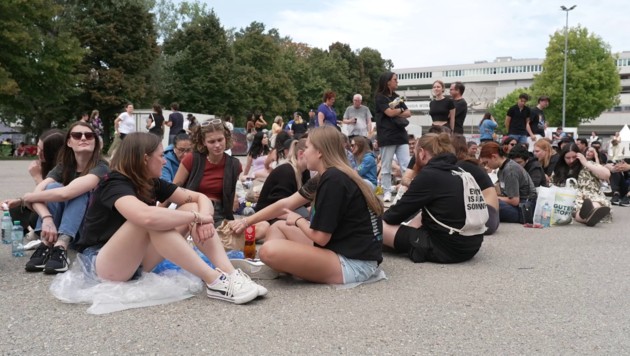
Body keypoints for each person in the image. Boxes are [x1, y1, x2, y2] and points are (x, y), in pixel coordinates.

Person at [74, 132, 264, 304]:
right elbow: (145, 217)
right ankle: (214, 280)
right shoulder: (113, 183)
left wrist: (204, 217)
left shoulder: (151, 182)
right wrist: (195, 217)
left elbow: (199, 197)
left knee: (187, 207)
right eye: (161, 156)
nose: (165, 161)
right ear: (145, 159)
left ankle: (229, 273)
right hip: (101, 264)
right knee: (151, 220)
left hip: (135, 262)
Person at [255, 126, 383, 284]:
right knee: (277, 227)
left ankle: (281, 265)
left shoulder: (333, 179)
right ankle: (278, 267)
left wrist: (297, 220)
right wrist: (245, 221)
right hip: (346, 250)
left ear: (320, 151)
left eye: (307, 147)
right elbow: (285, 204)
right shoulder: (333, 174)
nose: (303, 152)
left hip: (354, 264)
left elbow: (320, 238)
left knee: (268, 251)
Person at [5, 122, 109, 274]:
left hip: (91, 230)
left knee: (75, 191)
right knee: (52, 188)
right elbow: (40, 191)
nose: (83, 138)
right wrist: (46, 218)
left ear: (95, 142)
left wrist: (26, 198)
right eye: (77, 135)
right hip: (69, 226)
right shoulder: (65, 166)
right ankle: (46, 244)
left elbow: (66, 193)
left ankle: (61, 246)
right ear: (69, 142)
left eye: (89, 135)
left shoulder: (102, 167)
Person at [382, 133, 485, 263]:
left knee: (376, 225)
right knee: (423, 213)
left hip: (447, 249)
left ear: (421, 153)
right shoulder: (459, 171)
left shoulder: (429, 175)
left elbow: (394, 216)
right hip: (471, 245)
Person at [229, 138, 311, 242]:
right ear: (301, 154)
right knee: (267, 228)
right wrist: (301, 220)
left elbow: (305, 205)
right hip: (268, 216)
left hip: (284, 213)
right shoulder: (287, 172)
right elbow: (279, 208)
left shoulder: (304, 172)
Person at [172, 119, 242, 227]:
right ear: (204, 142)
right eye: (212, 142)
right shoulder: (192, 159)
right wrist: (158, 211)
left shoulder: (234, 165)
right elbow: (172, 190)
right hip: (192, 209)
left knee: (259, 228)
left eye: (220, 140)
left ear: (226, 138)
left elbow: (230, 194)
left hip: (218, 214)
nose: (217, 145)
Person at [552, 143, 611, 226]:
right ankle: (588, 216)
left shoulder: (588, 164)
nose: (571, 160)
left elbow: (606, 175)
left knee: (594, 203)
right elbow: (553, 186)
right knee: (576, 209)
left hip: (592, 195)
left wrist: (586, 163)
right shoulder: (559, 170)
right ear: (563, 158)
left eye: (574, 157)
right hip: (572, 198)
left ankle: (590, 214)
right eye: (568, 158)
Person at [374, 72, 411, 202]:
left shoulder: (397, 97)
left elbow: (408, 113)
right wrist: (399, 111)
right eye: (395, 79)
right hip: (387, 135)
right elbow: (389, 113)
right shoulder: (380, 97)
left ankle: (408, 190)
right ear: (388, 82)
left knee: (406, 164)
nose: (397, 82)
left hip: (401, 135)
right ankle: (386, 192)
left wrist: (398, 111)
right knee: (386, 166)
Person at [479, 142, 536, 224]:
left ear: (494, 157)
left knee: (488, 203)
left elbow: (514, 200)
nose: (486, 166)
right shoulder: (502, 170)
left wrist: (494, 197)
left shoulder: (510, 170)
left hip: (524, 208)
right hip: (519, 205)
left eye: (486, 162)